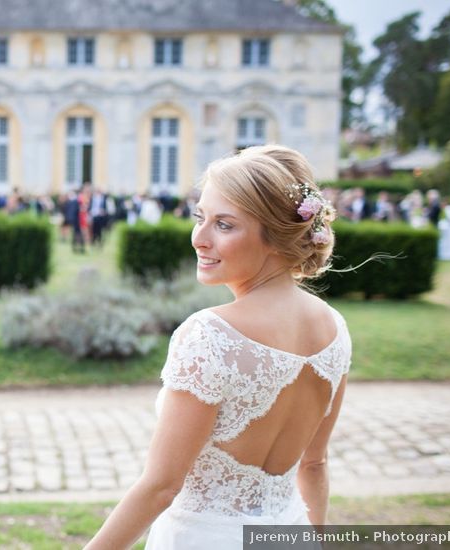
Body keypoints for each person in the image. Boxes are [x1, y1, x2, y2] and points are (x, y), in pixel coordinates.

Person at [86, 145, 351, 549]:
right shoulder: (335, 328)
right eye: (200, 218)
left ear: (276, 237)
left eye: (224, 225)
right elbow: (314, 464)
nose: (199, 238)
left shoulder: (210, 336)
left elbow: (161, 486)